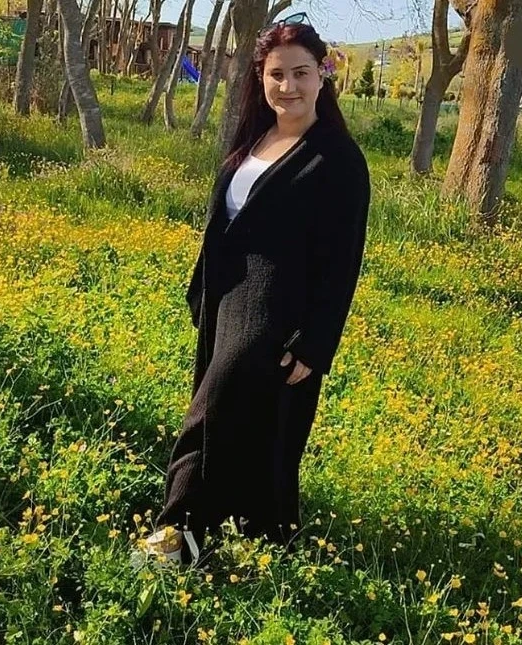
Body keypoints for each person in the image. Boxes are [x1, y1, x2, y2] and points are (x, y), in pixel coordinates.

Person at [134, 14, 371, 568]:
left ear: (323, 74)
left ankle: (175, 535)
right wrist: (201, 289)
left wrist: (316, 343)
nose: (288, 86)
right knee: (255, 417)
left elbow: (343, 261)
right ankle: (260, 533)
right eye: (276, 74)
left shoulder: (338, 158)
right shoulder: (255, 138)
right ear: (260, 78)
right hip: (226, 302)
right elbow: (226, 220)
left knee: (209, 414)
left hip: (276, 313)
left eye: (301, 73)